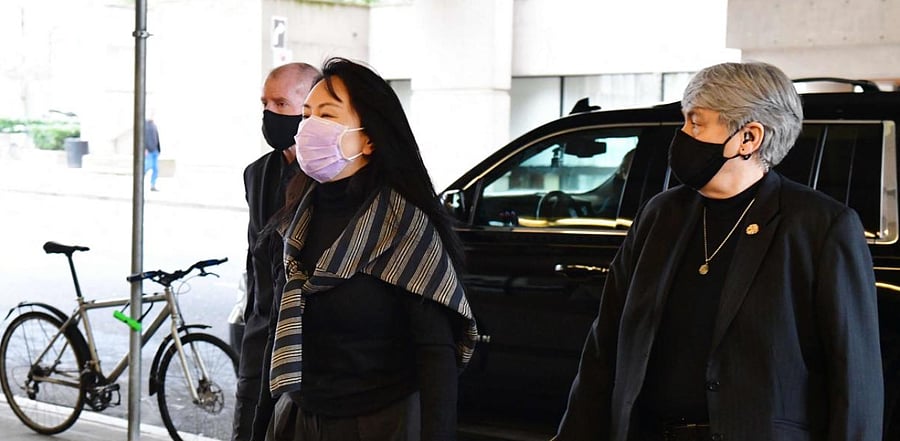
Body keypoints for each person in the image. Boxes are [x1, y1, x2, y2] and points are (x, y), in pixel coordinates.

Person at [554, 62, 883, 440]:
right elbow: (605, 346)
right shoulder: (661, 214)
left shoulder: (820, 226)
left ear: (748, 138)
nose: (682, 135)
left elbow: (854, 380)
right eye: (684, 121)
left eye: (696, 123)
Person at [261, 57, 478, 441]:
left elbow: (435, 353)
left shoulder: (404, 226)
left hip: (379, 423)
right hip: (299, 418)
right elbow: (277, 332)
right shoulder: (295, 221)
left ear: (369, 137)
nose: (309, 128)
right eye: (307, 115)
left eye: (327, 115)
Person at [233, 62, 320, 441]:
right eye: (265, 103)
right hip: (259, 335)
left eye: (281, 104)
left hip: (308, 347)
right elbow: (256, 256)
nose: (269, 113)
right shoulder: (257, 173)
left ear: (309, 108)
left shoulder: (329, 175)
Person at [144, 117, 161, 191]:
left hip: (155, 150)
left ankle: (153, 185)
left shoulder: (154, 125)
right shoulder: (145, 126)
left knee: (156, 169)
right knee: (148, 166)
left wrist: (158, 149)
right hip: (149, 150)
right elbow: (143, 138)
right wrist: (145, 149)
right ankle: (140, 176)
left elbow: (157, 137)